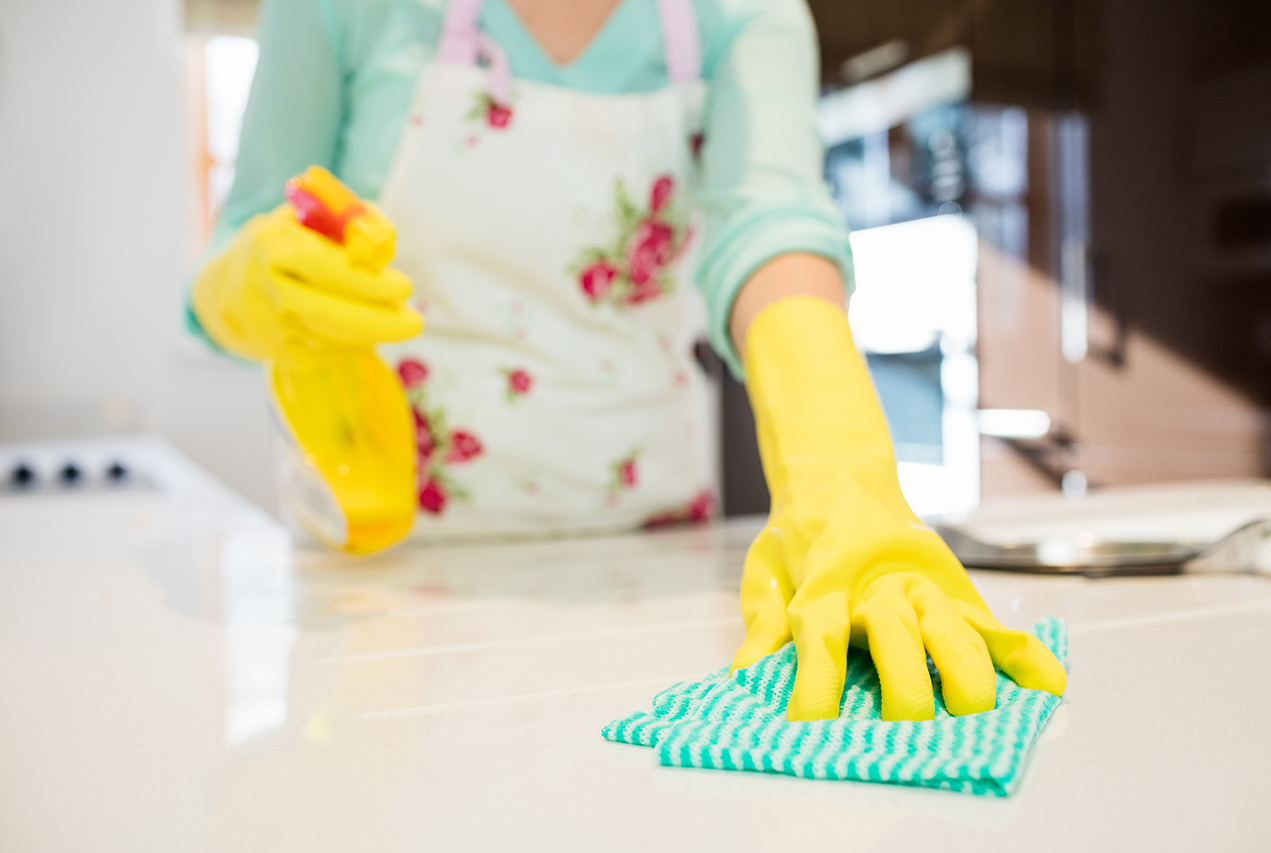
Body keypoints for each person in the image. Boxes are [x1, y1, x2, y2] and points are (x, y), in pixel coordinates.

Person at [191, 0, 1065, 722]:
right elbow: (227, 260)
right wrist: (246, 282)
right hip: (379, 584)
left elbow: (769, 218)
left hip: (654, 561)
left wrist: (846, 483)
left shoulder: (741, 16)